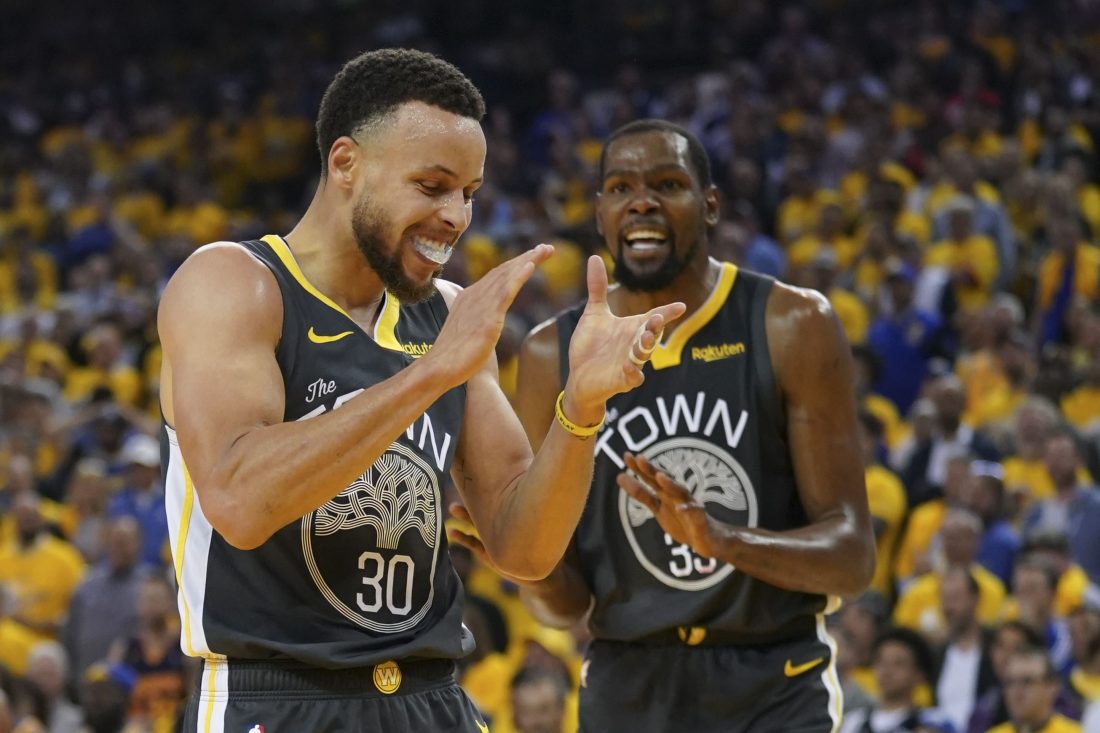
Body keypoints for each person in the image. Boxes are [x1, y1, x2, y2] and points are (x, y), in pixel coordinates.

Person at [156, 49, 683, 732]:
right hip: (278, 697)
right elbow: (239, 500)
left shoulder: (448, 316)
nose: (457, 215)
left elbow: (524, 546)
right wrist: (432, 371)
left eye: (469, 192)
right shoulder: (234, 284)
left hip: (432, 698)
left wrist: (580, 407)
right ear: (345, 163)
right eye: (433, 186)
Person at [452, 119, 874, 732]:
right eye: (621, 188)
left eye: (667, 184)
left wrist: (722, 541)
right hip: (628, 680)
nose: (642, 201)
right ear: (601, 214)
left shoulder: (791, 323)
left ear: (710, 206)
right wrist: (521, 565)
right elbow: (568, 604)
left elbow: (852, 559)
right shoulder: (550, 353)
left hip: (773, 679)